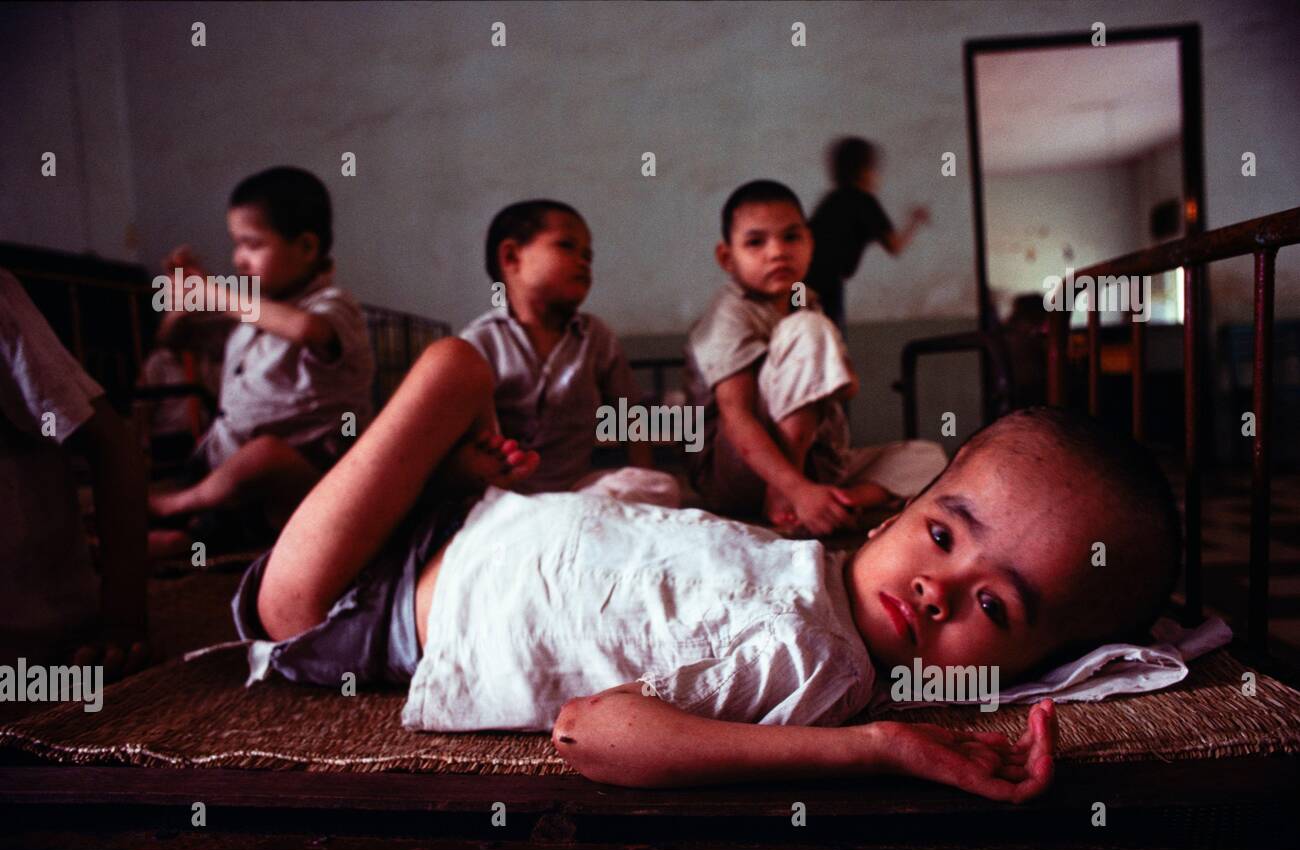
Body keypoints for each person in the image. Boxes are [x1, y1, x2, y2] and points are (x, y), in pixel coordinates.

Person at [231, 330, 1181, 803]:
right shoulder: (812, 572)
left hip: (353, 606)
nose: (939, 587)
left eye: (996, 607)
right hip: (474, 520)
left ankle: (222, 498)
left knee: (448, 367)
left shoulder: (820, 668)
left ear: (1019, 673)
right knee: (484, 388)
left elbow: (588, 731)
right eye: (943, 534)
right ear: (901, 507)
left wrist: (876, 745)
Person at [684, 179, 946, 536]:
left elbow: (847, 386)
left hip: (816, 461)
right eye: (755, 242)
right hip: (737, 472)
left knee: (927, 458)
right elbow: (736, 417)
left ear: (811, 243)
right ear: (727, 258)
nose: (777, 251)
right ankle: (787, 496)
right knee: (806, 327)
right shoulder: (730, 314)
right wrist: (793, 487)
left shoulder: (804, 298)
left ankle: (839, 500)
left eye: (791, 237)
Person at [148, 167, 375, 552]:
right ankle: (192, 530)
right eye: (236, 245)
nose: (239, 260)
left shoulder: (335, 307)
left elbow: (306, 330)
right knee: (214, 499)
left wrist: (218, 295)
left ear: (306, 247)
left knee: (266, 456)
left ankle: (176, 511)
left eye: (253, 245)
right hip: (219, 469)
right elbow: (171, 343)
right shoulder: (251, 316)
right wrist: (183, 302)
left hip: (298, 486)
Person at [460, 199, 677, 506]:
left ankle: (563, 523)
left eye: (588, 255)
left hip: (576, 492)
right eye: (566, 246)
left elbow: (630, 413)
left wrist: (642, 480)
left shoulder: (595, 337)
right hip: (505, 498)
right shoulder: (479, 343)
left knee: (658, 486)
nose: (583, 261)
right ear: (511, 257)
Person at [0, 269, 150, 679]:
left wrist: (123, 621)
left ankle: (182, 509)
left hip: (32, 647)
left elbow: (112, 444)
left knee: (261, 458)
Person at [805, 136, 930, 331]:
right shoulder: (865, 201)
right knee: (832, 344)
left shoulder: (832, 200)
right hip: (825, 285)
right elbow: (895, 246)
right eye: (875, 169)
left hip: (803, 283)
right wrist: (915, 221)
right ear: (865, 171)